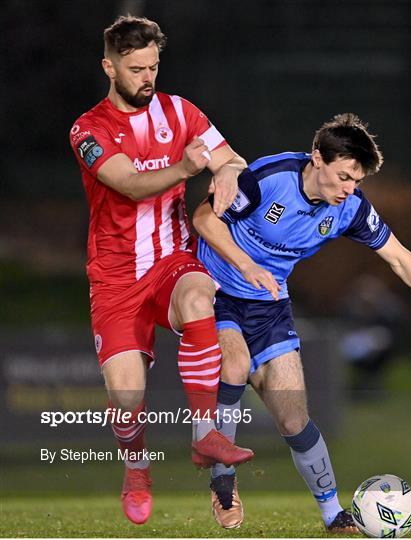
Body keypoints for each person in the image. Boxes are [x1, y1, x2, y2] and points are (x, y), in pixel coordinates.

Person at [193, 113, 411, 532]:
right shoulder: (269, 177)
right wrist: (244, 265)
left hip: (270, 305)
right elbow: (204, 220)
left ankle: (334, 514)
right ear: (317, 158)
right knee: (235, 364)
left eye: (357, 181)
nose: (350, 189)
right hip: (216, 292)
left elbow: (400, 258)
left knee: (294, 418)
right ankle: (222, 482)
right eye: (345, 176)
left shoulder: (350, 208)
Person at [69, 15, 254, 526]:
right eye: (135, 69)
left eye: (153, 66)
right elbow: (128, 183)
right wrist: (187, 169)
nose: (147, 77)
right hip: (116, 277)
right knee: (127, 402)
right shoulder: (89, 128)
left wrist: (229, 176)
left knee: (200, 296)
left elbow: (232, 158)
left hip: (172, 260)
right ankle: (136, 467)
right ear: (109, 67)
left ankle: (204, 436)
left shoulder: (181, 112)